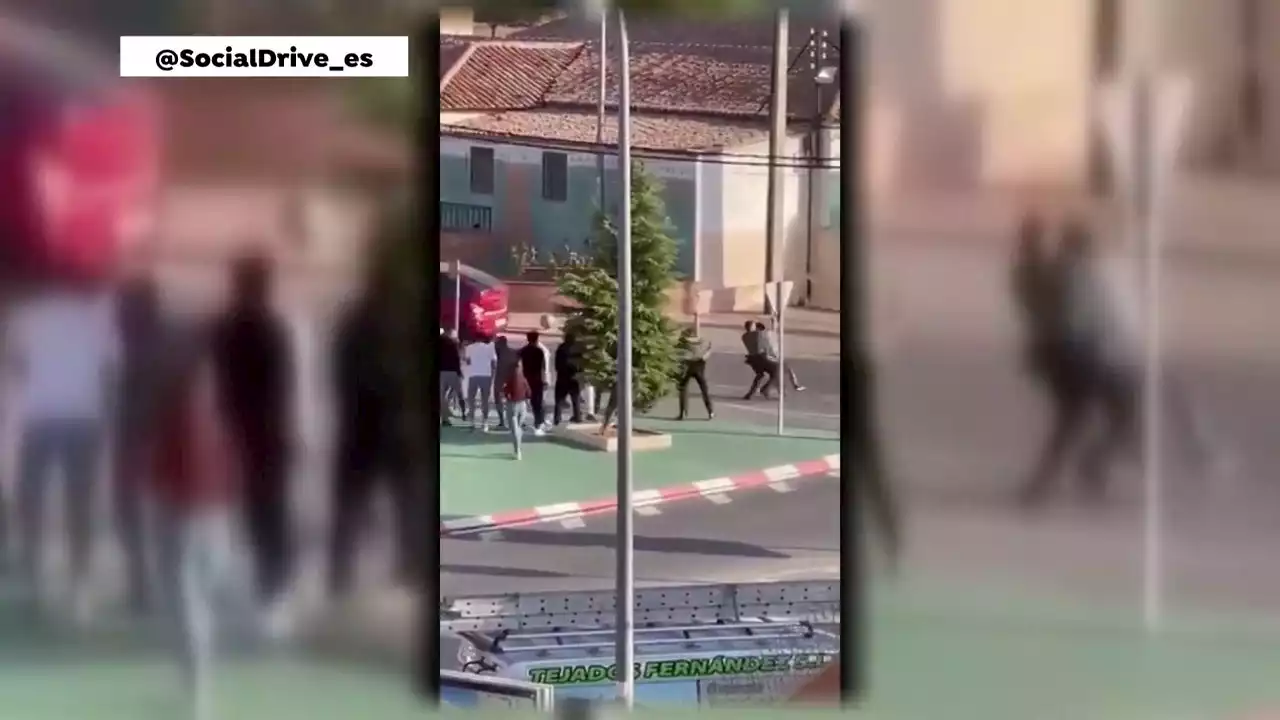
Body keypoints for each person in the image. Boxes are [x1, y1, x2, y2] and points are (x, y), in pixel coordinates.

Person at [148, 336, 255, 720]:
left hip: (187, 519)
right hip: (210, 518)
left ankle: (197, 683)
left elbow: (159, 477)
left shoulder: (178, 422)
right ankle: (197, 679)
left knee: (188, 603)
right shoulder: (217, 423)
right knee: (199, 600)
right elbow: (233, 475)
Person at [4, 275, 118, 621]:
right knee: (79, 504)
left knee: (30, 499)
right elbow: (109, 372)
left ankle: (32, 574)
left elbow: (15, 366)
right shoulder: (98, 319)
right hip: (84, 417)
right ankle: (80, 584)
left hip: (40, 416)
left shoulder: (25, 316)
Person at [210, 253, 296, 629]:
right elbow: (284, 389)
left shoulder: (224, 329)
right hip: (264, 437)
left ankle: (250, 592)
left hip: (232, 434)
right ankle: (268, 597)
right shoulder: (271, 329)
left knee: (236, 517)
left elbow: (212, 385)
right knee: (265, 518)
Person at [328, 280, 415, 600]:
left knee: (352, 504)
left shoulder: (352, 329)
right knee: (404, 501)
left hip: (361, 428)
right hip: (392, 427)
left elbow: (338, 374)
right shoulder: (400, 332)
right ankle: (406, 564)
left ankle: (341, 572)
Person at [113, 274, 170, 615]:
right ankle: (145, 585)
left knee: (135, 517)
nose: (119, 317)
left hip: (140, 443)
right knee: (142, 518)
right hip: (146, 442)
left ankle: (144, 587)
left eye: (124, 310)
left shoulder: (141, 350)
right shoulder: (149, 345)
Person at [677, 330, 715, 420]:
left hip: (687, 367)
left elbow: (678, 353)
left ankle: (683, 412)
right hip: (699, 367)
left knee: (683, 389)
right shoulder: (702, 344)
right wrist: (709, 349)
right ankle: (710, 411)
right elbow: (707, 354)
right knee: (704, 391)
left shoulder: (684, 343)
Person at [758, 321, 805, 392]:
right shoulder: (764, 337)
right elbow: (766, 351)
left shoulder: (765, 335)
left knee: (785, 371)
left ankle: (794, 385)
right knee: (784, 371)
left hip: (773, 358)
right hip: (771, 359)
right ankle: (794, 386)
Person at [519, 330, 550, 435]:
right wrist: (545, 380)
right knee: (537, 403)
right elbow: (543, 368)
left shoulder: (523, 351)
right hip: (537, 380)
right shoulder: (539, 351)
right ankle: (538, 424)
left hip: (526, 379)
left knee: (523, 402)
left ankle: (521, 422)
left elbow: (518, 364)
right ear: (537, 339)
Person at [464, 334, 497, 431]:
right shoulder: (489, 348)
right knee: (485, 400)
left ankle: (472, 422)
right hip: (486, 375)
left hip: (473, 375)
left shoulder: (469, 348)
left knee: (471, 400)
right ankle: (485, 423)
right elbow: (494, 363)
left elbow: (468, 362)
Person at [502, 357, 532, 460]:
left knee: (514, 429)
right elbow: (529, 393)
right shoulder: (523, 378)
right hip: (522, 405)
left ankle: (517, 450)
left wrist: (507, 396)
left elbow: (505, 391)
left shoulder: (509, 378)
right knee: (518, 428)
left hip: (513, 405)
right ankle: (518, 448)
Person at [740, 320, 776, 400]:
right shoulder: (758, 334)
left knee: (760, 374)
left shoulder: (744, 336)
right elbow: (767, 338)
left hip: (753, 359)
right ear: (753, 327)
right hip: (761, 357)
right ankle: (765, 389)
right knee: (776, 373)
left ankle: (750, 393)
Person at [553, 332, 583, 426]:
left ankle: (557, 419)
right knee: (575, 398)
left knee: (559, 400)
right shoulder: (577, 349)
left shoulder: (561, 348)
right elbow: (581, 364)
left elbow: (557, 365)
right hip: (574, 377)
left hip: (562, 377)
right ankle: (577, 417)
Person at [492, 336, 518, 430]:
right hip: (511, 380)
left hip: (500, 380)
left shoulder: (498, 353)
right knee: (511, 401)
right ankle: (514, 421)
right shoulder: (513, 352)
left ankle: (502, 421)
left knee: (499, 400)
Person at [439, 328, 464, 426]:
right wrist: (459, 372)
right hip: (453, 372)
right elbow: (456, 358)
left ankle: (445, 417)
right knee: (459, 394)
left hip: (442, 371)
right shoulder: (452, 344)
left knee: (441, 396)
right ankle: (463, 413)